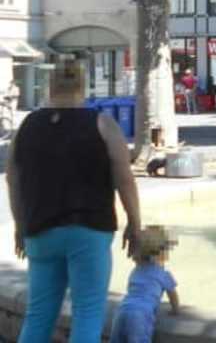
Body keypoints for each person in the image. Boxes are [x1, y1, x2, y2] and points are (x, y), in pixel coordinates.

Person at [5, 58, 141, 343]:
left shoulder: (26, 127)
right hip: (89, 230)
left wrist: (20, 226)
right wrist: (134, 223)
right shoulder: (103, 124)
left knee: (38, 315)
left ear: (50, 86)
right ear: (82, 86)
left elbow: (13, 180)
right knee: (87, 313)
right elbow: (124, 179)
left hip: (40, 230)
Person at [109, 225, 179, 343]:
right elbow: (173, 296)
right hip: (142, 314)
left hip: (122, 310)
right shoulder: (163, 274)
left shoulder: (135, 271)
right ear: (162, 253)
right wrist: (175, 310)